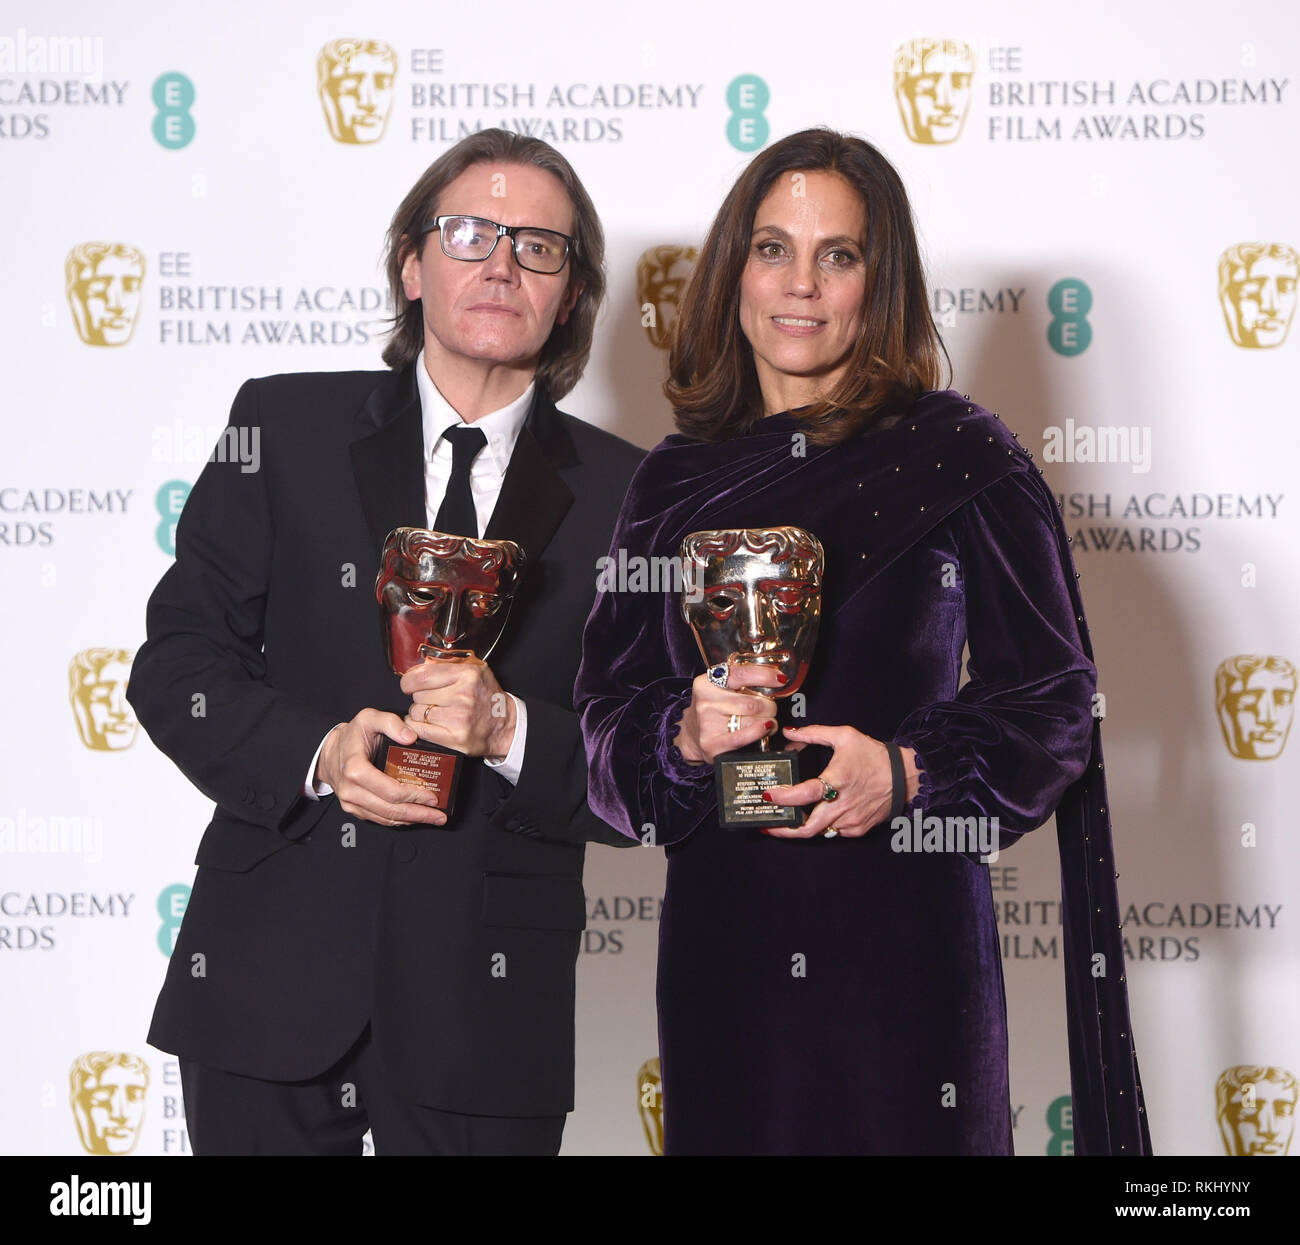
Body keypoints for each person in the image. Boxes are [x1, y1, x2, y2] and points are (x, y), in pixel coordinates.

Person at [576, 128, 1151, 1156]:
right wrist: (682, 736)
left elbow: (1056, 707)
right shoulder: (669, 480)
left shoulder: (958, 456)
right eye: (771, 249)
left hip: (905, 944)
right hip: (727, 951)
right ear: (731, 270)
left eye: (837, 255)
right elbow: (602, 732)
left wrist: (909, 772)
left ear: (877, 283)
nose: (800, 284)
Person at [127, 129, 643, 1155]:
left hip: (487, 1013)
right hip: (265, 981)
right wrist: (316, 755)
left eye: (540, 245)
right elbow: (177, 665)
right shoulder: (280, 424)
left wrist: (506, 731)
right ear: (412, 263)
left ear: (572, 291)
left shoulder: (632, 496)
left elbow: (646, 766)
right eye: (469, 232)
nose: (501, 261)